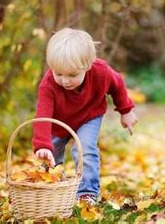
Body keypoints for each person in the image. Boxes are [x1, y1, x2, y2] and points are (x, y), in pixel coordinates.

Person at [32, 27, 138, 205]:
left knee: (85, 149)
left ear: (87, 66)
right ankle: (55, 191)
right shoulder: (48, 85)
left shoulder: (101, 72)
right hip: (58, 123)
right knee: (50, 158)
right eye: (59, 74)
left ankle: (87, 193)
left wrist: (125, 110)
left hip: (89, 116)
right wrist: (43, 145)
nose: (65, 81)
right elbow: (42, 115)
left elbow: (117, 84)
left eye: (72, 75)